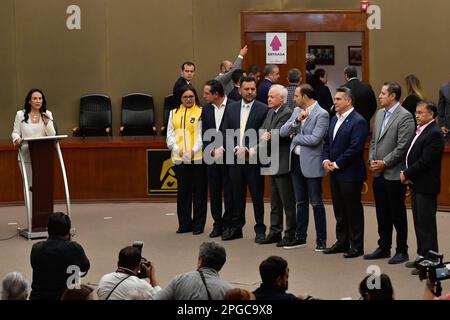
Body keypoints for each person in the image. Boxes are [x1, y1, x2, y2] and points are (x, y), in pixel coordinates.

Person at [364, 82, 415, 264]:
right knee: (382, 213)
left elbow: (402, 147)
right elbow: (374, 141)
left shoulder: (405, 116)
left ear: (393, 96)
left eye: (383, 93)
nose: (379, 96)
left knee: (397, 214)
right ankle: (383, 247)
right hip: (378, 173)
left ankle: (402, 250)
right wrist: (372, 160)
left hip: (393, 173)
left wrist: (384, 162)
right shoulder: (379, 114)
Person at [280, 84, 329, 251]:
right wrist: (297, 121)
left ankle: (321, 240)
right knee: (300, 202)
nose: (294, 99)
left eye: (296, 97)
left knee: (316, 202)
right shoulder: (296, 112)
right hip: (295, 161)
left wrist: (296, 138)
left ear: (305, 97)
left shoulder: (322, 114)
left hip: (312, 163)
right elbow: (282, 131)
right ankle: (301, 238)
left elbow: (316, 139)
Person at [322, 87, 368, 258]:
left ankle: (357, 245)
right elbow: (328, 143)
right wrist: (326, 160)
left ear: (348, 101)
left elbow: (355, 148)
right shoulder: (334, 119)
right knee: (339, 210)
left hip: (350, 173)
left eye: (338, 99)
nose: (335, 102)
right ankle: (342, 241)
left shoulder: (358, 121)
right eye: (334, 98)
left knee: (353, 210)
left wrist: (337, 163)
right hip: (334, 171)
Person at [221, 76, 268, 242]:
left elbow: (263, 134)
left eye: (252, 89)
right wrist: (235, 147)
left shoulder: (263, 109)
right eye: (246, 89)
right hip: (235, 158)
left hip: (253, 160)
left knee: (257, 196)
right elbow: (225, 131)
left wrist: (248, 150)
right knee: (236, 195)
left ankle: (260, 229)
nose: (249, 92)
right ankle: (236, 228)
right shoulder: (231, 108)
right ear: (240, 90)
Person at [401, 100, 445, 275]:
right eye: (416, 112)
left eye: (420, 113)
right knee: (419, 222)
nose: (416, 115)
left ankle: (432, 260)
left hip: (426, 185)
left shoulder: (434, 133)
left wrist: (407, 173)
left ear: (431, 114)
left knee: (427, 224)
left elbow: (425, 161)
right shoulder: (420, 130)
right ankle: (421, 255)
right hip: (416, 184)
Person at [258, 85, 296, 247]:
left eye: (272, 97)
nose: (269, 99)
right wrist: (266, 134)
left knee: (287, 201)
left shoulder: (287, 112)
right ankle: (274, 231)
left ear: (282, 98)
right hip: (270, 160)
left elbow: (279, 134)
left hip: (281, 162)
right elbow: (261, 131)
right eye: (268, 96)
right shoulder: (269, 112)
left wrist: (268, 134)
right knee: (274, 200)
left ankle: (290, 233)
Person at [166, 85, 207, 235]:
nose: (188, 99)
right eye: (185, 97)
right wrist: (178, 149)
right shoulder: (173, 113)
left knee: (199, 192)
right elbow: (170, 136)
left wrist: (193, 150)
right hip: (179, 158)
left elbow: (202, 136)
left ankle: (198, 225)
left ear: (195, 97)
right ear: (180, 99)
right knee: (183, 192)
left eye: (191, 96)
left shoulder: (201, 112)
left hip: (197, 158)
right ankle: (184, 224)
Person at [12, 88, 56, 211]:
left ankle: (42, 214)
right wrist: (16, 140)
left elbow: (52, 135)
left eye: (40, 98)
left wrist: (47, 123)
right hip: (26, 155)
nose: (38, 101)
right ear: (29, 101)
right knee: (30, 186)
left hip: (42, 156)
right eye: (35, 98)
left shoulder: (47, 113)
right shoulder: (20, 114)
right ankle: (31, 216)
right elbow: (15, 133)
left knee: (42, 186)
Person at [30, 212, 90, 300]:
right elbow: (85, 267)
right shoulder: (75, 248)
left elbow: (34, 265)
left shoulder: (36, 248)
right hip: (66, 297)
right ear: (68, 231)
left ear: (48, 229)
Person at [202, 80, 234, 238]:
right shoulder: (206, 109)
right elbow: (204, 132)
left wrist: (223, 148)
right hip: (212, 157)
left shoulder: (234, 106)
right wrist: (211, 149)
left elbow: (236, 131)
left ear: (216, 94)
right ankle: (217, 224)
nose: (203, 96)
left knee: (229, 192)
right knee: (214, 192)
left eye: (207, 93)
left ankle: (228, 224)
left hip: (229, 156)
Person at [153, 242, 232, 300]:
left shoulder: (179, 280)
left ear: (200, 261)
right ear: (221, 265)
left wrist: (153, 281)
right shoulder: (228, 290)